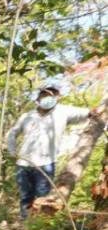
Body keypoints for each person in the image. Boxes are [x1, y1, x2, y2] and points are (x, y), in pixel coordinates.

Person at [6, 82, 92, 219]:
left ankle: (38, 227)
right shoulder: (27, 116)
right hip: (23, 163)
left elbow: (89, 113)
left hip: (46, 163)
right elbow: (12, 133)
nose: (49, 97)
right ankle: (24, 226)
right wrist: (12, 152)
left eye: (53, 94)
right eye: (45, 94)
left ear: (57, 97)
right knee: (25, 197)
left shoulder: (63, 112)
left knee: (42, 197)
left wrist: (98, 111)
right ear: (39, 97)